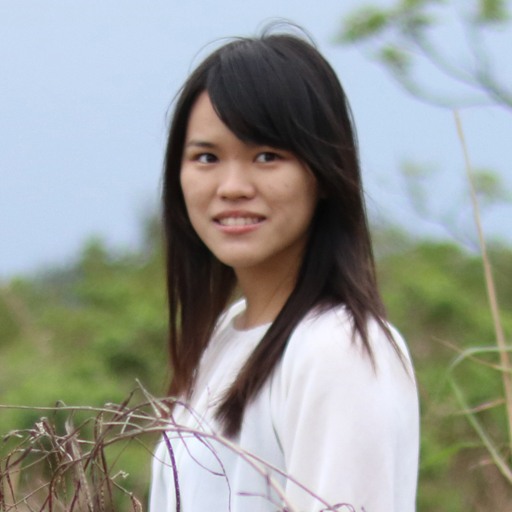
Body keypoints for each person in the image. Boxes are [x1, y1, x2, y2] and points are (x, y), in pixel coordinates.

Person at [149, 28, 419, 512]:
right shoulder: (227, 335)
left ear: (325, 173)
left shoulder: (338, 349)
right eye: (207, 157)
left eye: (267, 156)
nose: (232, 186)